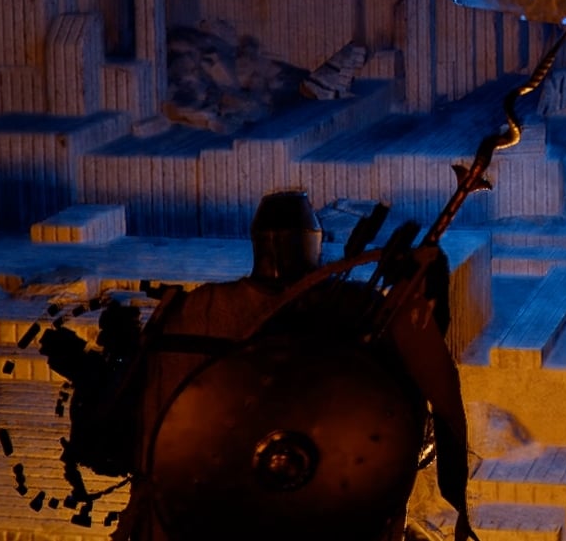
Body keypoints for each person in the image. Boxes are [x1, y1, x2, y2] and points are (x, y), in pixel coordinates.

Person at [114, 190, 477, 541]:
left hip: (185, 520)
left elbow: (149, 424)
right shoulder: (352, 307)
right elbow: (406, 429)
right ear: (313, 242)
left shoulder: (191, 310)